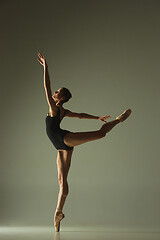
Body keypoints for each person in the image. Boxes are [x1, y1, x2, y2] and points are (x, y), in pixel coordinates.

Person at [37, 53, 132, 232]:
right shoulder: (62, 111)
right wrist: (96, 116)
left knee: (100, 134)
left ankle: (119, 119)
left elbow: (46, 86)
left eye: (57, 92)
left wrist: (46, 67)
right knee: (62, 181)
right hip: (59, 147)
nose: (54, 93)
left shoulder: (55, 108)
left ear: (61, 98)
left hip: (64, 138)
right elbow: (80, 115)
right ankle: (58, 213)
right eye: (56, 91)